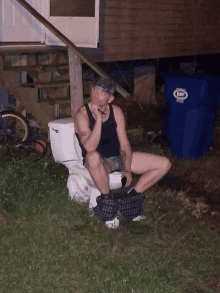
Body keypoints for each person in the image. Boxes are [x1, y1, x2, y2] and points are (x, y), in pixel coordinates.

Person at [74, 78, 171, 225]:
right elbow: (89, 148)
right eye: (95, 90)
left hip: (118, 157)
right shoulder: (82, 114)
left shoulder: (116, 111)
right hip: (99, 162)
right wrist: (99, 119)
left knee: (164, 164)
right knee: (93, 156)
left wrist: (127, 168)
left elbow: (124, 142)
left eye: (102, 93)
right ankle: (108, 206)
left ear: (111, 98)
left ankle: (128, 199)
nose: (96, 94)